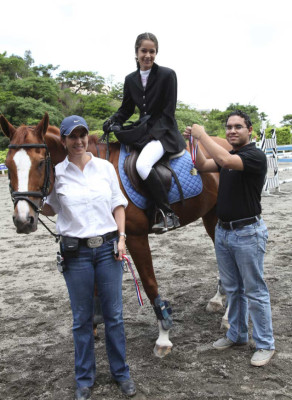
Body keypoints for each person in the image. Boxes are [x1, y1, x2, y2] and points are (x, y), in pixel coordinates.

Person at [42, 115, 136, 399]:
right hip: (76, 255)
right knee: (82, 320)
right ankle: (84, 379)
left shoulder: (105, 167)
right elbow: (50, 209)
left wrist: (121, 239)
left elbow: (118, 204)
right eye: (73, 136)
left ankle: (121, 373)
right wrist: (31, 198)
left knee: (115, 316)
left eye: (82, 135)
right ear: (64, 141)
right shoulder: (57, 172)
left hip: (109, 250)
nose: (79, 141)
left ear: (87, 137)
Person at [184, 110, 275, 367]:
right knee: (233, 289)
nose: (232, 131)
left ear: (250, 131)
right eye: (229, 127)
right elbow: (202, 165)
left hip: (247, 233)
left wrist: (202, 134)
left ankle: (266, 344)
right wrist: (194, 142)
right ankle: (236, 334)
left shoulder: (254, 156)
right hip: (224, 233)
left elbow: (222, 159)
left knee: (255, 291)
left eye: (238, 126)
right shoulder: (231, 157)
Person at [103, 32, 186, 233]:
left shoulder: (167, 75)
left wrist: (151, 135)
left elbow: (168, 113)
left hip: (164, 133)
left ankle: (168, 213)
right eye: (144, 51)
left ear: (156, 53)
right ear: (136, 52)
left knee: (142, 164)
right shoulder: (130, 79)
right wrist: (113, 120)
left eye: (152, 51)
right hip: (143, 131)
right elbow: (127, 109)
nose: (148, 55)